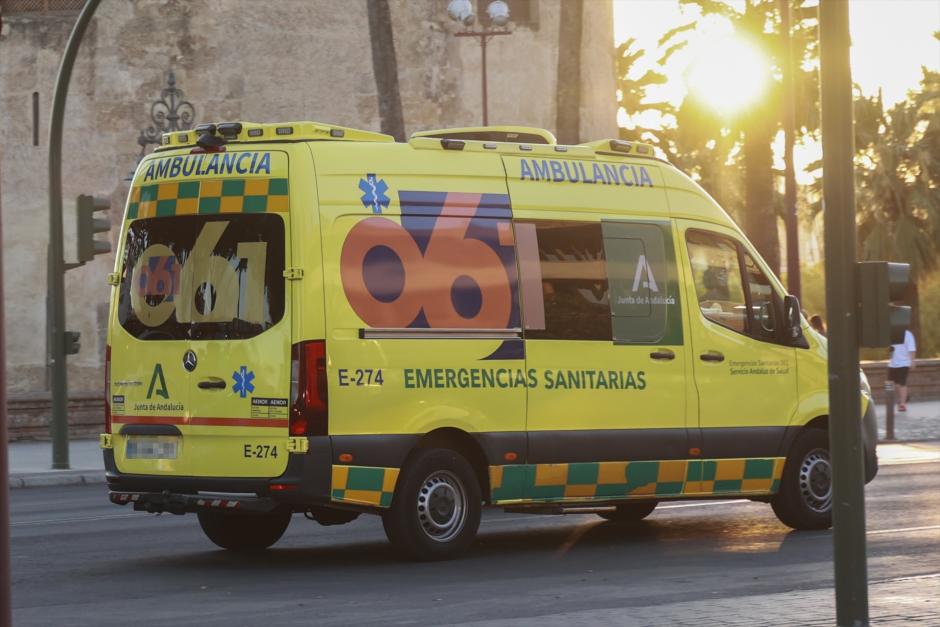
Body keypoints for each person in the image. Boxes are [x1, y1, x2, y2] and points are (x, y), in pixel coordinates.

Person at [888, 328, 917, 411]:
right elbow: (891, 349)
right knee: (892, 384)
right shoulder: (892, 334)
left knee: (901, 383)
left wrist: (912, 361)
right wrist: (890, 356)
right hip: (893, 364)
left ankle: (903, 404)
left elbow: (912, 349)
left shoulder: (908, 334)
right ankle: (904, 397)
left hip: (904, 363)